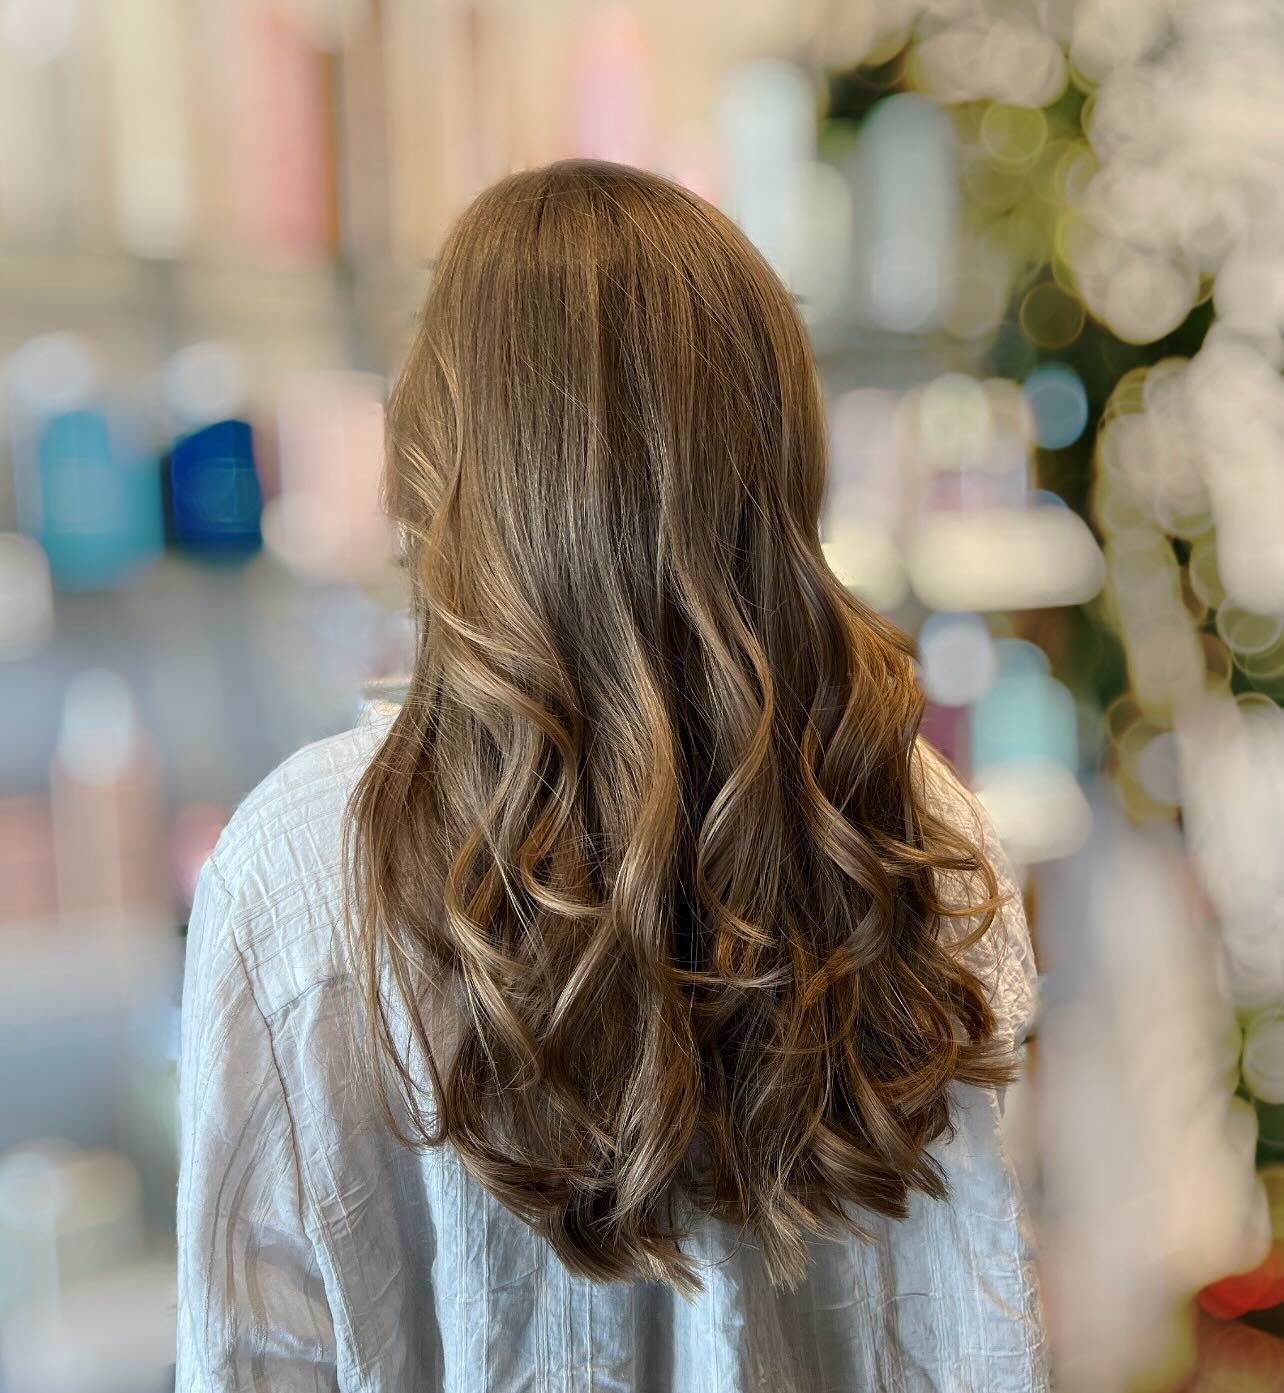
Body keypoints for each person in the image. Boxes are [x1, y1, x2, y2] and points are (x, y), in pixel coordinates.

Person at [176, 160, 1046, 1392]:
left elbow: (256, 1358)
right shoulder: (902, 820)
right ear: (778, 447)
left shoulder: (302, 860)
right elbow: (971, 1338)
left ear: (441, 452)